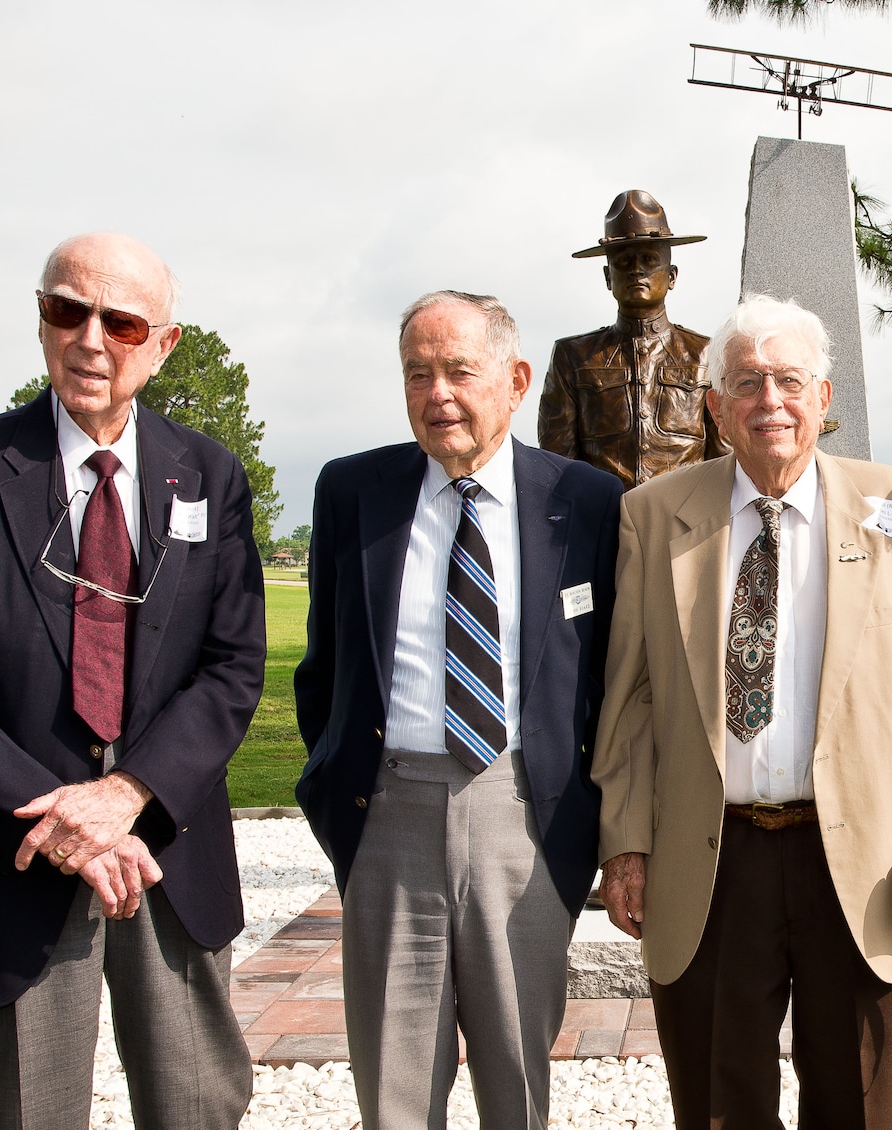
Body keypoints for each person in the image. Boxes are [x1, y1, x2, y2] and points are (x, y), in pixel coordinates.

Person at [0, 232, 264, 1129]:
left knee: (199, 1107)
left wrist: (127, 795)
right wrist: (68, 822)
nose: (90, 339)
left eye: (120, 321)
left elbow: (232, 665)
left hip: (168, 851)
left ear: (162, 345)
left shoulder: (209, 473)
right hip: (7, 859)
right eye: (66, 309)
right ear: (41, 320)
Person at [592, 294, 892, 1128]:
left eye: (790, 380)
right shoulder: (654, 516)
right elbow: (633, 696)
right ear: (716, 405)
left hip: (862, 862)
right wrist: (625, 842)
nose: (772, 400)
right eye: (748, 381)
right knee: (723, 1106)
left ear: (825, 399)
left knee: (857, 1103)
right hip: (714, 860)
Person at [292, 290, 622, 1130]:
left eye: (458, 371)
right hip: (389, 814)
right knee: (396, 1092)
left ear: (514, 380)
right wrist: (340, 798)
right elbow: (322, 670)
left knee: (516, 1080)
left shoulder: (587, 502)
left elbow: (616, 678)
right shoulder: (351, 492)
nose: (437, 393)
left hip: (526, 817)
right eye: (417, 374)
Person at [538, 189, 724, 489]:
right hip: (601, 524)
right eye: (624, 262)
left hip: (684, 523)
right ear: (608, 277)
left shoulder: (708, 353)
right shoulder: (573, 356)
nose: (637, 270)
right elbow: (555, 463)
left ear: (672, 276)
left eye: (649, 260)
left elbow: (725, 459)